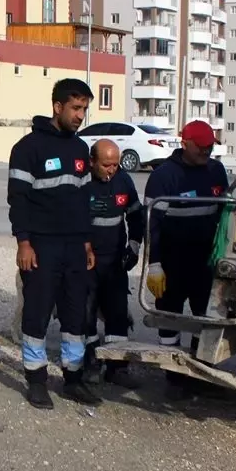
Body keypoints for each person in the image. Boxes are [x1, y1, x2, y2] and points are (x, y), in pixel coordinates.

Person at [7, 79, 98, 410]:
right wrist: (24, 243)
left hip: (75, 247)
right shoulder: (28, 148)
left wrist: (87, 243)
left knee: (76, 316)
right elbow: (18, 201)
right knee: (37, 313)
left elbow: (84, 201)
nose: (80, 116)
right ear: (57, 107)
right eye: (75, 108)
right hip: (42, 246)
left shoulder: (79, 150)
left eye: (84, 109)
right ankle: (36, 380)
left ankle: (73, 379)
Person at [142, 119, 230, 370]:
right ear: (185, 143)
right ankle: (172, 373)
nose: (206, 151)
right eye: (200, 146)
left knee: (205, 316)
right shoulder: (164, 176)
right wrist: (154, 263)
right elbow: (151, 224)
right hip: (172, 260)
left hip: (205, 261)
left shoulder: (216, 171)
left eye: (209, 146)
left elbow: (225, 215)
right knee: (170, 316)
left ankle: (201, 369)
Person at [83, 139, 145, 385]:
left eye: (116, 165)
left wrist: (134, 246)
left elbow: (136, 216)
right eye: (106, 165)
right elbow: (71, 222)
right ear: (92, 162)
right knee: (85, 314)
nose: (112, 170)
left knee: (117, 313)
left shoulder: (123, 180)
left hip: (115, 261)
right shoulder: (82, 183)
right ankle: (90, 361)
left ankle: (117, 367)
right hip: (87, 262)